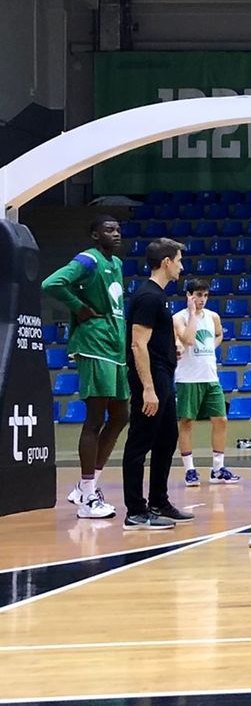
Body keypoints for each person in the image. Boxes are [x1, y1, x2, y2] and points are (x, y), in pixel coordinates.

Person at [42, 214, 129, 520]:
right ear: (95, 235)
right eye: (109, 229)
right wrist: (78, 307)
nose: (115, 233)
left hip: (114, 347)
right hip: (94, 346)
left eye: (117, 229)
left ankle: (84, 486)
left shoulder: (116, 265)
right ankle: (88, 497)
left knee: (121, 415)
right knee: (95, 418)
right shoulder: (87, 260)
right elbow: (52, 283)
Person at [123, 237, 193, 530]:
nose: (181, 265)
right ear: (166, 262)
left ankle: (158, 501)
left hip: (163, 373)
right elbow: (138, 345)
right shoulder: (149, 296)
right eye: (178, 260)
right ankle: (135, 511)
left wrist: (170, 348)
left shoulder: (158, 296)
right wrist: (148, 388)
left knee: (167, 440)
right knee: (141, 442)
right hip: (150, 379)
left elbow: (151, 342)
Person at [173, 278, 240, 487]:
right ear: (189, 295)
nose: (202, 299)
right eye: (198, 295)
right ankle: (190, 470)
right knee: (186, 422)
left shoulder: (213, 317)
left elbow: (219, 335)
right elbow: (189, 339)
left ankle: (218, 468)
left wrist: (213, 345)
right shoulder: (178, 318)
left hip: (210, 376)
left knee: (221, 420)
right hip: (188, 378)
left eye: (205, 295)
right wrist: (193, 313)